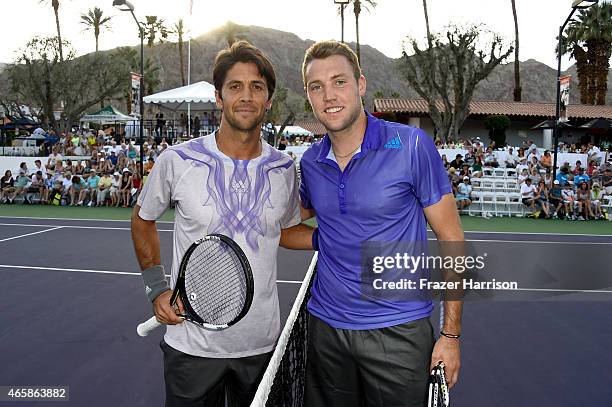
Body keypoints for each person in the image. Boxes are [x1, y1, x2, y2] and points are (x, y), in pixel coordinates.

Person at [131, 41, 304, 406]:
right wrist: (156, 289)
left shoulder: (285, 169)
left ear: (269, 99)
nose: (246, 96)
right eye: (235, 86)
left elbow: (286, 232)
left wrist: (338, 238)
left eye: (257, 87)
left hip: (261, 348)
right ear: (219, 96)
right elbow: (142, 219)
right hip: (191, 347)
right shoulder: (177, 160)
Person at [297, 41, 463, 406]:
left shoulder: (411, 146)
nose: (329, 95)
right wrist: (323, 240)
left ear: (360, 85)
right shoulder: (310, 161)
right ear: (308, 96)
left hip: (399, 332)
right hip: (327, 330)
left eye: (339, 82)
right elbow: (287, 224)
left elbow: (452, 238)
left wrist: (450, 336)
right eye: (316, 87)